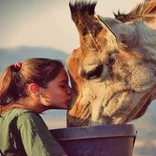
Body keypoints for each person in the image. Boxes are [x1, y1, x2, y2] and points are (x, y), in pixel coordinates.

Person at [0, 58, 72, 156]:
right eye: (63, 85)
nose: (70, 90)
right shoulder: (27, 118)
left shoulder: (6, 116)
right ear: (35, 89)